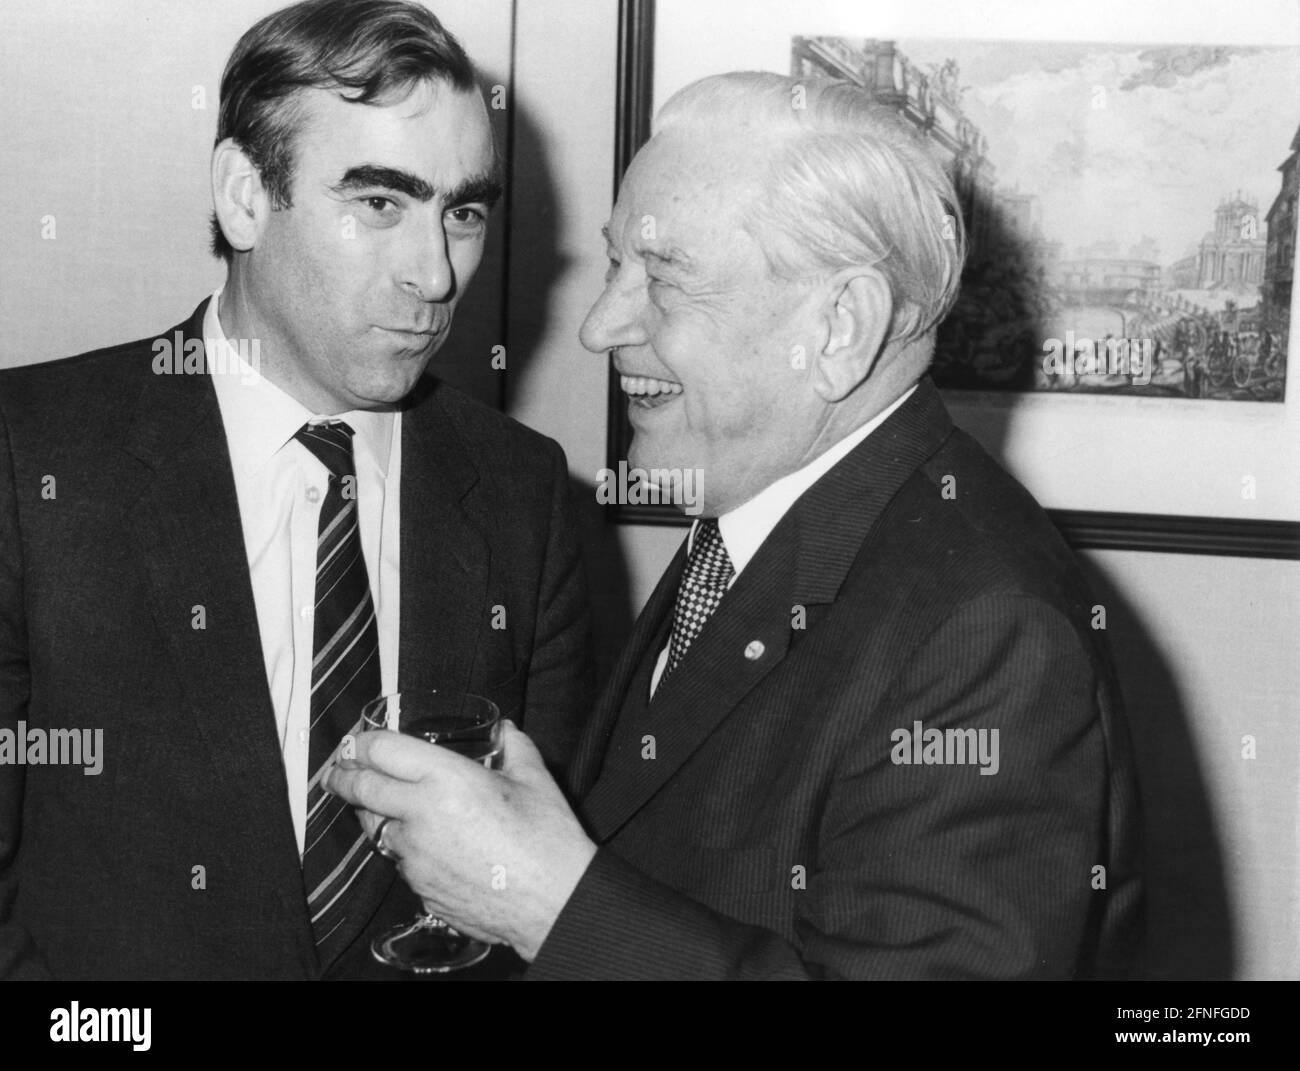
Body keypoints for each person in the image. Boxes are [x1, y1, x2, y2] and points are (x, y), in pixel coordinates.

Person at [328, 72, 1144, 980]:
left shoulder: (991, 637)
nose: (601, 327)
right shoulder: (757, 507)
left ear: (841, 327)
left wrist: (544, 898)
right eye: (614, 265)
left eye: (666, 278)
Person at [0, 0, 592, 980]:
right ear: (242, 196)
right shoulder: (29, 458)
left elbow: (541, 895)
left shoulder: (525, 495)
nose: (437, 272)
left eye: (464, 211)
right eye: (379, 203)